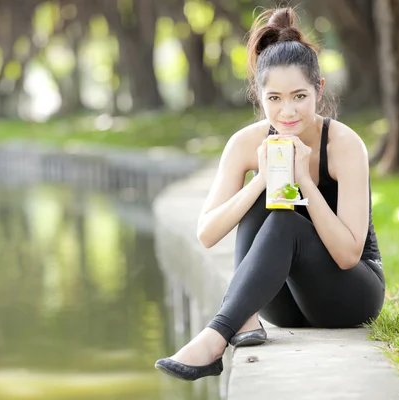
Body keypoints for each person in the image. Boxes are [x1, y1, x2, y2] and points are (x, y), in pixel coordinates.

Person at [154, 6, 386, 381]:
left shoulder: (344, 145)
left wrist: (304, 182)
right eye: (274, 98)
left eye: (299, 96)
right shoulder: (246, 143)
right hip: (282, 304)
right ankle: (242, 320)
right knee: (260, 199)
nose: (287, 111)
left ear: (318, 90)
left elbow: (347, 255)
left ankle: (215, 337)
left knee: (284, 219)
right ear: (259, 96)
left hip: (349, 296)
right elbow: (208, 233)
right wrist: (262, 179)